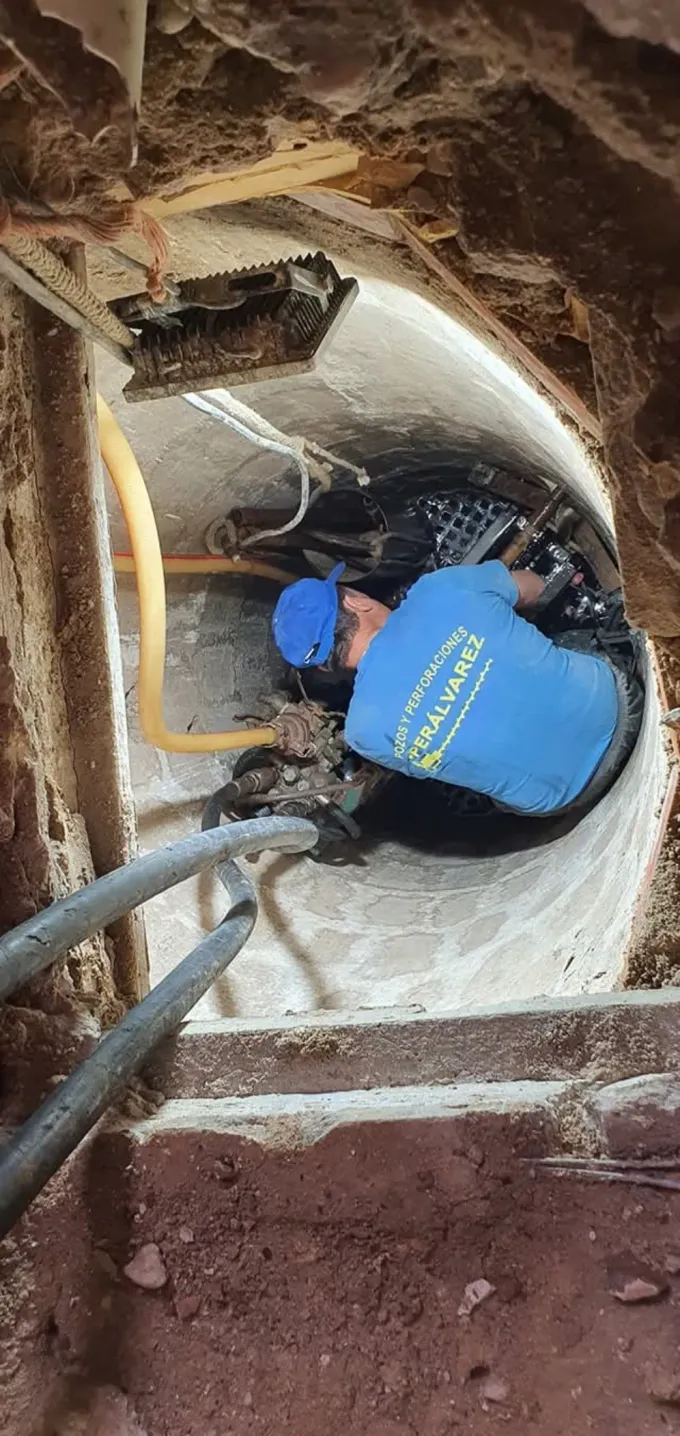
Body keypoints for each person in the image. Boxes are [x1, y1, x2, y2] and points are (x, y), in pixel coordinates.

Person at [271, 560, 643, 817]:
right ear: (355, 599)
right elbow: (536, 586)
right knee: (554, 642)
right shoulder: (439, 588)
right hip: (618, 708)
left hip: (562, 798)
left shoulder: (363, 732)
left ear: (323, 665)